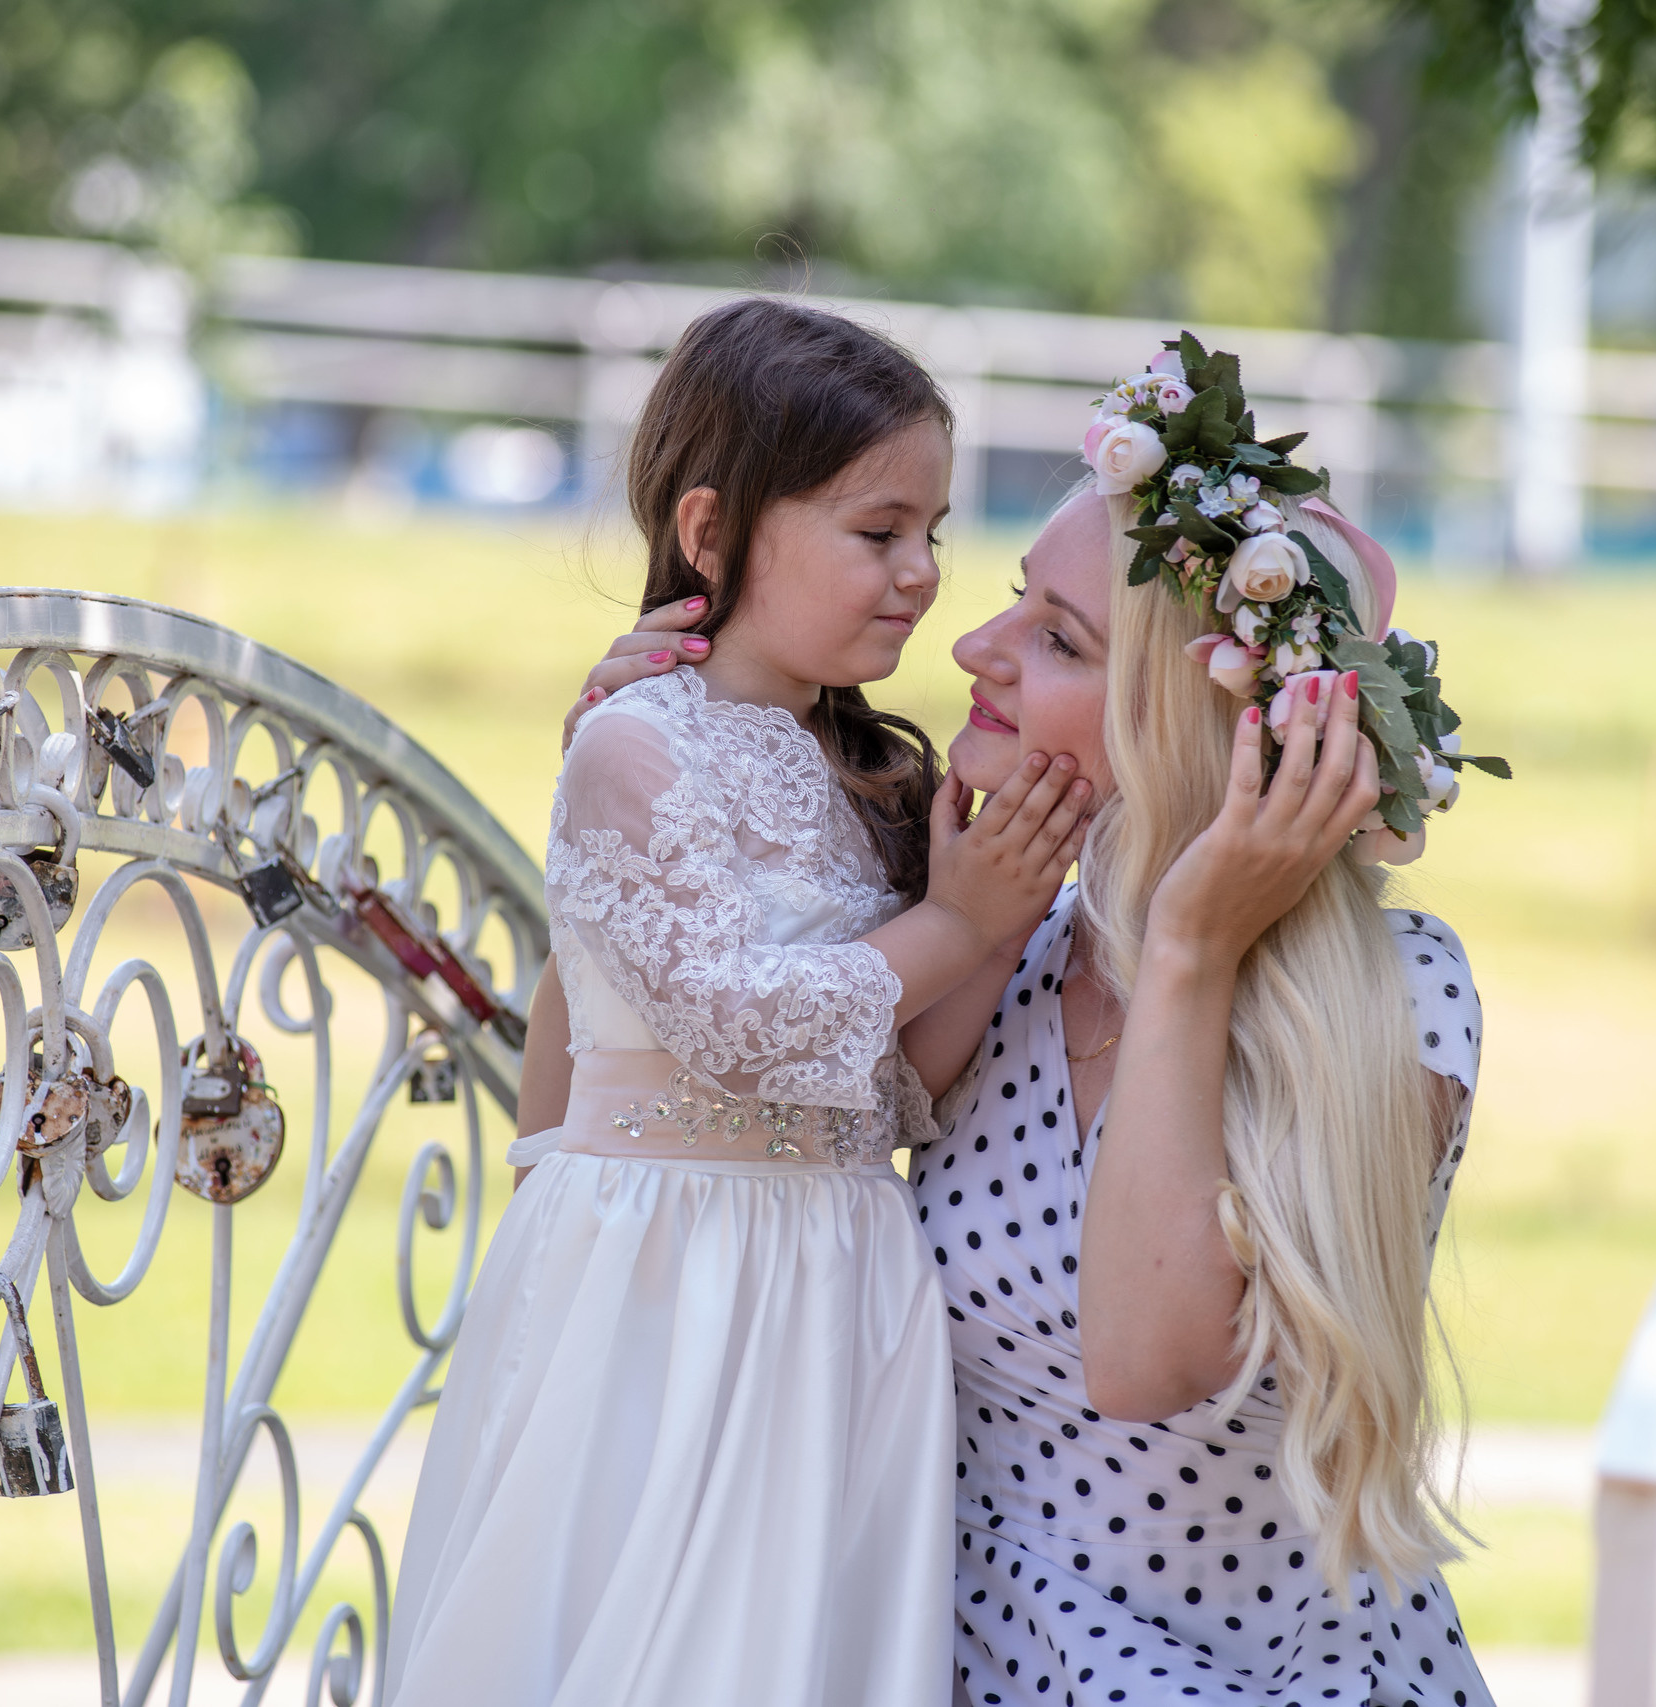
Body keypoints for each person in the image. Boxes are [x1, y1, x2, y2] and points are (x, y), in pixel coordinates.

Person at [553, 336, 1498, 1706]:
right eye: (1010, 602)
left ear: (1177, 720)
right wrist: (622, 810)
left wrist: (1187, 952)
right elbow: (604, 1108)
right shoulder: (1005, 952)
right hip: (948, 1660)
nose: (967, 645)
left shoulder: (1391, 998)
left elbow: (1143, 1360)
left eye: (1056, 640)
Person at [383, 297, 1094, 1707]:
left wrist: (1001, 921)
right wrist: (958, 924)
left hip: (838, 1280)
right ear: (711, 532)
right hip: (671, 1274)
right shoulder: (638, 748)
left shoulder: (878, 775)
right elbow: (736, 1025)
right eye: (878, 531)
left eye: (935, 533)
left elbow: (908, 1077)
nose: (922, 575)